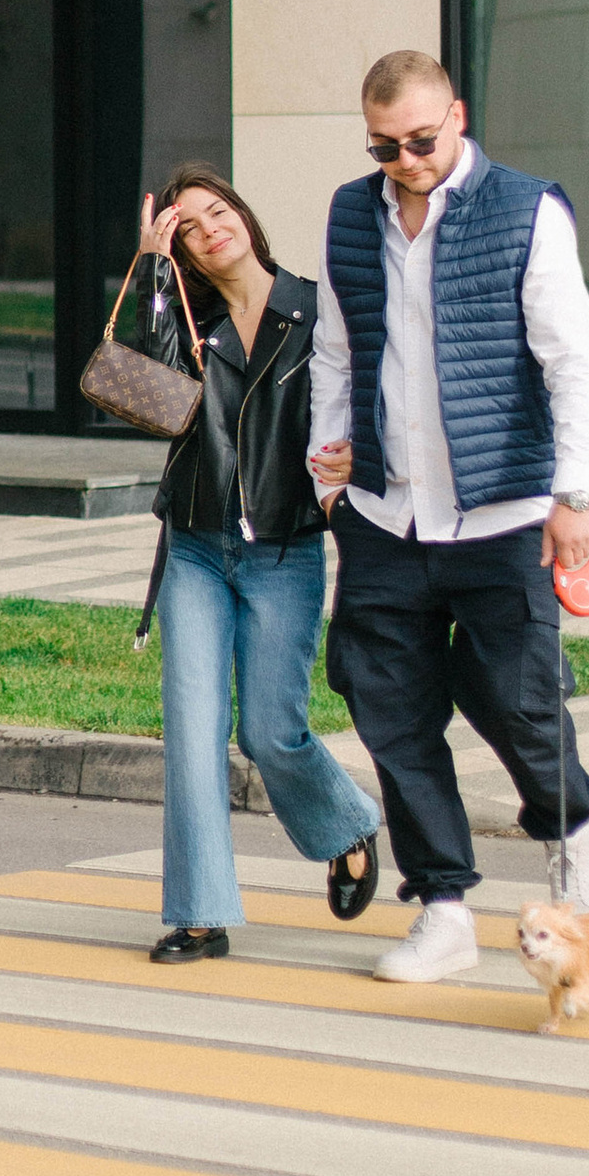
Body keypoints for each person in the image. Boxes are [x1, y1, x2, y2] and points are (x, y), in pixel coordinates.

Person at [307, 48, 589, 983]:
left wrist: (575, 498)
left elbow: (575, 361)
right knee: (391, 713)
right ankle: (442, 909)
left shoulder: (526, 210)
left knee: (521, 709)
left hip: (505, 515)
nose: (404, 160)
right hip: (384, 518)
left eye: (421, 140)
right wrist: (328, 473)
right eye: (385, 145)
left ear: (459, 116)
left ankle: (584, 888)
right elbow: (335, 350)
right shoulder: (352, 213)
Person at [128, 165, 384, 965]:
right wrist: (152, 271)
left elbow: (352, 406)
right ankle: (200, 914)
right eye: (189, 228)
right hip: (197, 551)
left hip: (284, 552)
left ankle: (348, 825)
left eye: (218, 211)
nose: (210, 228)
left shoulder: (313, 310)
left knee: (271, 735)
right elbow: (155, 400)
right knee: (192, 733)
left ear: (243, 214)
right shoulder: (188, 321)